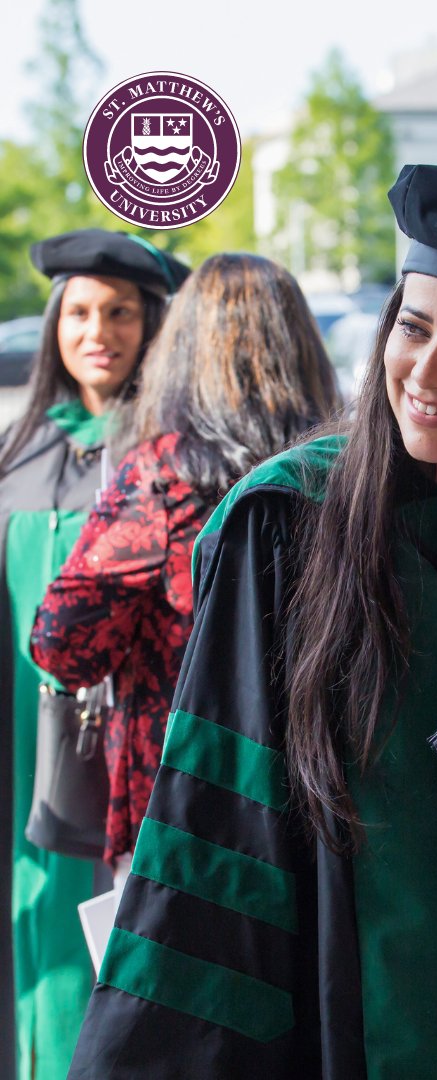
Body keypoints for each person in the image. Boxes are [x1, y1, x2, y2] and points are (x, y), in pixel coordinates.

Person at [68, 166, 437, 1079]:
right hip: (342, 1010)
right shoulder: (286, 522)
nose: (429, 373)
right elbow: (218, 814)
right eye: (413, 328)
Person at [30, 253, 341, 891]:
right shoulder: (347, 466)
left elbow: (60, 644)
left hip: (184, 811)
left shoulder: (164, 478)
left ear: (182, 350)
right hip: (326, 805)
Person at [0, 229, 187, 1080]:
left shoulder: (161, 457)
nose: (96, 332)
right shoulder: (22, 451)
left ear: (154, 327)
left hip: (105, 749)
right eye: (78, 312)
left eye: (119, 313)